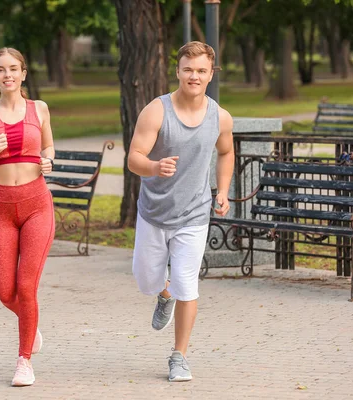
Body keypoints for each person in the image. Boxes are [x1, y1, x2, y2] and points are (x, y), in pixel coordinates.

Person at [128, 41, 234, 382]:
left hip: (194, 214)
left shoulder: (220, 116)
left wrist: (223, 191)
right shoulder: (156, 111)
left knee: (189, 285)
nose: (194, 76)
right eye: (188, 69)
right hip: (154, 212)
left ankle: (179, 356)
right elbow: (134, 159)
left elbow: (226, 152)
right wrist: (155, 167)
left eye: (202, 70)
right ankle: (163, 292)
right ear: (177, 71)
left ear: (211, 74)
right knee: (146, 279)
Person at [0, 47, 55, 387]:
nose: (8, 75)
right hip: (1, 207)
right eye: (1, 70)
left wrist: (48, 160)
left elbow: (48, 148)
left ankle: (24, 361)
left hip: (36, 204)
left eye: (14, 69)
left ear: (23, 73)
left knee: (26, 286)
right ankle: (30, 324)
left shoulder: (39, 109)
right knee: (6, 292)